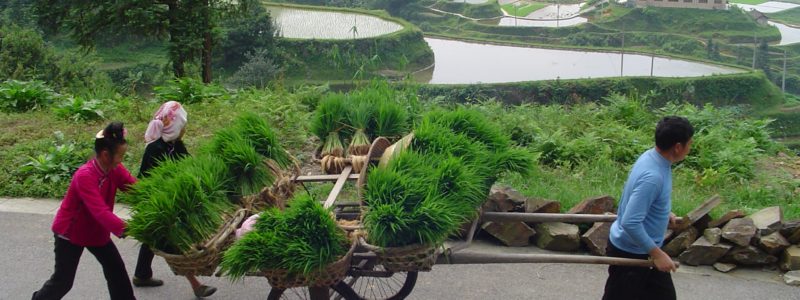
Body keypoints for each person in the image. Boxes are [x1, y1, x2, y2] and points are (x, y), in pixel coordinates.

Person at [33, 122, 137, 300]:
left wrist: (155, 199)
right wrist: (130, 228)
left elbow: (135, 188)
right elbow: (100, 212)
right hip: (71, 233)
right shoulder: (85, 176)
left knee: (116, 270)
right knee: (63, 281)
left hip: (96, 231)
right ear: (105, 155)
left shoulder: (115, 169)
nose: (121, 160)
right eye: (120, 155)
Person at [131, 101, 216, 298]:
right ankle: (196, 285)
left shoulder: (176, 145)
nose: (185, 129)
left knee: (152, 238)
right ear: (175, 125)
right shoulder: (155, 149)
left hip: (172, 198)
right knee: (172, 238)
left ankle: (141, 274)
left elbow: (188, 165)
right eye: (183, 125)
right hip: (158, 202)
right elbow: (146, 180)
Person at [603, 116, 694, 300]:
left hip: (643, 250)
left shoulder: (652, 157)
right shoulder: (653, 176)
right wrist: (657, 254)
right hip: (631, 253)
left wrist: (661, 212)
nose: (690, 148)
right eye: (689, 143)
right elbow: (630, 222)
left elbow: (639, 198)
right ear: (678, 147)